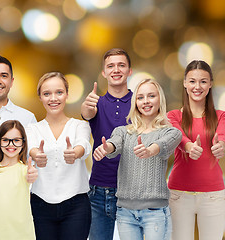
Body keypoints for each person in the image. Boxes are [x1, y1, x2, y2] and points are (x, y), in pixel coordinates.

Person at [93, 78, 181, 240]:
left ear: (160, 99)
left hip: (155, 212)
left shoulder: (170, 132)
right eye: (140, 97)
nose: (146, 101)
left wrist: (150, 150)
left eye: (151, 96)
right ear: (135, 103)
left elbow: (163, 144)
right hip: (125, 212)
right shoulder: (123, 132)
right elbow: (115, 143)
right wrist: (107, 148)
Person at [167, 60, 225, 240]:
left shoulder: (222, 116)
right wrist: (188, 146)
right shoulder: (173, 116)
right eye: (193, 81)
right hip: (179, 196)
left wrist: (221, 145)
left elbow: (223, 134)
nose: (197, 86)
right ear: (185, 83)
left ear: (210, 84)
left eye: (203, 81)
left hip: (212, 197)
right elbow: (177, 135)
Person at [27, 72, 92, 239]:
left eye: (59, 92)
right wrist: (36, 155)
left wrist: (75, 153)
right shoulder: (32, 129)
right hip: (40, 204)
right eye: (46, 94)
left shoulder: (80, 125)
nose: (53, 98)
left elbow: (83, 145)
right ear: (40, 97)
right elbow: (31, 148)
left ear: (67, 95)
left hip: (76, 205)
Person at [81, 48, 133, 240]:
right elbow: (87, 114)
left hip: (132, 192)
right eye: (110, 66)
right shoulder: (96, 103)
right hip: (98, 193)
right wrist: (86, 107)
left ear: (129, 71)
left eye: (121, 65)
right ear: (104, 72)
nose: (116, 70)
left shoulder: (140, 103)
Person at [0, 120, 37, 239]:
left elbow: (31, 177)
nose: (11, 144)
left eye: (16, 140)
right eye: (5, 140)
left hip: (23, 235)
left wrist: (32, 175)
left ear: (23, 144)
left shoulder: (26, 171)